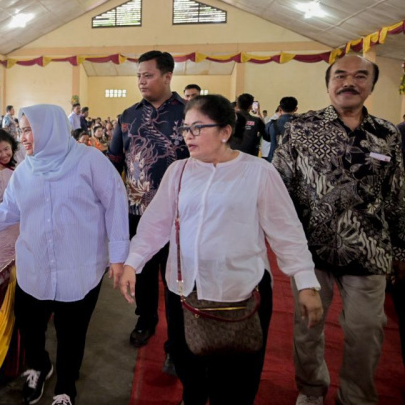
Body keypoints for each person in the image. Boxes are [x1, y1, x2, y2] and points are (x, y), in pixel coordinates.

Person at [119, 94, 323, 405]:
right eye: (186, 129)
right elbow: (156, 225)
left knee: (236, 383)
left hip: (241, 294)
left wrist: (306, 282)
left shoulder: (257, 172)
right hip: (184, 291)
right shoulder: (179, 171)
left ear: (225, 131)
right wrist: (134, 262)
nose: (189, 136)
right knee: (191, 373)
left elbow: (286, 232)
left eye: (198, 128)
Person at [0, 105, 128, 405]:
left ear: (51, 128)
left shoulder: (90, 162)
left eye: (28, 129)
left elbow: (115, 204)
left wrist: (118, 256)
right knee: (29, 324)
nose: (24, 138)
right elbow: (9, 211)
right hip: (35, 263)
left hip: (79, 264)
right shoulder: (25, 170)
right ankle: (40, 366)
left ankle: (65, 386)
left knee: (71, 332)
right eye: (22, 130)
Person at [273, 54, 405, 405]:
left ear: (371, 85)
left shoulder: (387, 134)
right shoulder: (300, 127)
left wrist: (400, 250)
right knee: (307, 329)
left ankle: (356, 396)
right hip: (311, 251)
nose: (349, 82)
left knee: (367, 332)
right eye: (340, 75)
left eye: (360, 76)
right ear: (328, 83)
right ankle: (312, 389)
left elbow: (396, 195)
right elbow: (278, 187)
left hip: (370, 251)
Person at [106, 50, 188, 377]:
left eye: (148, 75)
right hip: (137, 211)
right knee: (141, 271)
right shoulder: (128, 116)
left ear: (167, 76)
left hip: (179, 216)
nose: (141, 81)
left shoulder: (190, 114)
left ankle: (177, 343)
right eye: (138, 75)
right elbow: (113, 163)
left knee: (175, 279)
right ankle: (146, 320)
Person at [265, 96, 298, 162]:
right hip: (293, 161)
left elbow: (267, 138)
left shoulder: (271, 124)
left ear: (280, 109)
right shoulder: (301, 124)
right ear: (296, 109)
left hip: (274, 160)